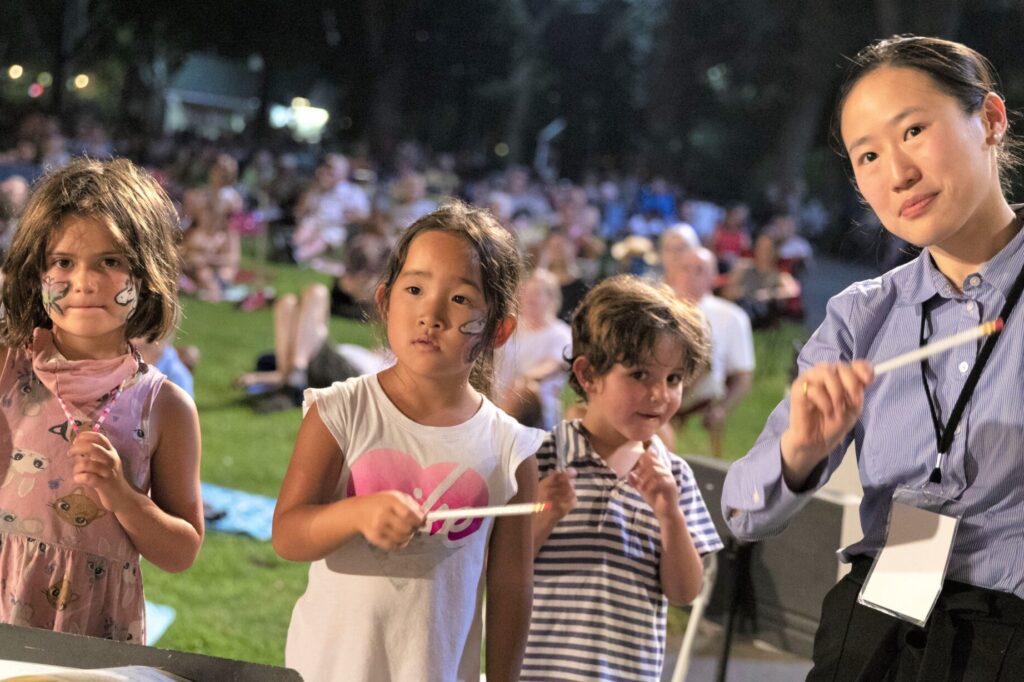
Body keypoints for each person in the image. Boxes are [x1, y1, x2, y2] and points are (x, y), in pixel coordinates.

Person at [722, 35, 1024, 679]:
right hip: (879, 625)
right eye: (867, 155)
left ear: (991, 120)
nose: (897, 173)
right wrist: (799, 451)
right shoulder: (864, 315)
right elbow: (744, 511)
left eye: (914, 129)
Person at [273, 201, 544, 682]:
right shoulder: (340, 411)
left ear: (498, 329)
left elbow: (510, 588)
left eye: (460, 299)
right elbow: (289, 534)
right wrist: (358, 513)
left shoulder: (509, 450)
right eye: (415, 289)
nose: (431, 313)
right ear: (385, 300)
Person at [0, 158, 203, 642]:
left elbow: (181, 552)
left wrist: (122, 495)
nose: (85, 282)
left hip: (95, 630)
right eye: (63, 262)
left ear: (147, 273)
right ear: (36, 270)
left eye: (110, 262)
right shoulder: (8, 367)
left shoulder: (165, 406)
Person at [522, 275, 724, 681]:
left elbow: (685, 592)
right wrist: (544, 515)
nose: (660, 395)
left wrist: (669, 514)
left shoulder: (674, 476)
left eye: (673, 379)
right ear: (588, 375)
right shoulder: (537, 459)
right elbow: (497, 568)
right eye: (639, 375)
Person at [661, 244, 755, 458]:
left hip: (701, 393)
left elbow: (743, 377)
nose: (691, 275)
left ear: (713, 276)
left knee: (704, 357)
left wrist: (723, 408)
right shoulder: (657, 309)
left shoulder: (731, 317)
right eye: (685, 268)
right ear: (674, 272)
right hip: (660, 382)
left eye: (700, 269)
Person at [495, 268, 573, 429]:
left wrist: (522, 381)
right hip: (497, 401)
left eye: (536, 293)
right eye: (525, 293)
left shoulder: (561, 333)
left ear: (551, 298)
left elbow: (553, 366)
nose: (529, 298)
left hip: (536, 412)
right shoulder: (511, 326)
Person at [721, 233, 802, 328]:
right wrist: (743, 293)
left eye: (767, 249)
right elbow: (727, 293)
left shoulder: (778, 274)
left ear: (774, 252)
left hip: (761, 316)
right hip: (741, 309)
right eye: (759, 247)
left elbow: (793, 290)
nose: (762, 252)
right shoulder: (743, 266)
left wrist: (768, 294)